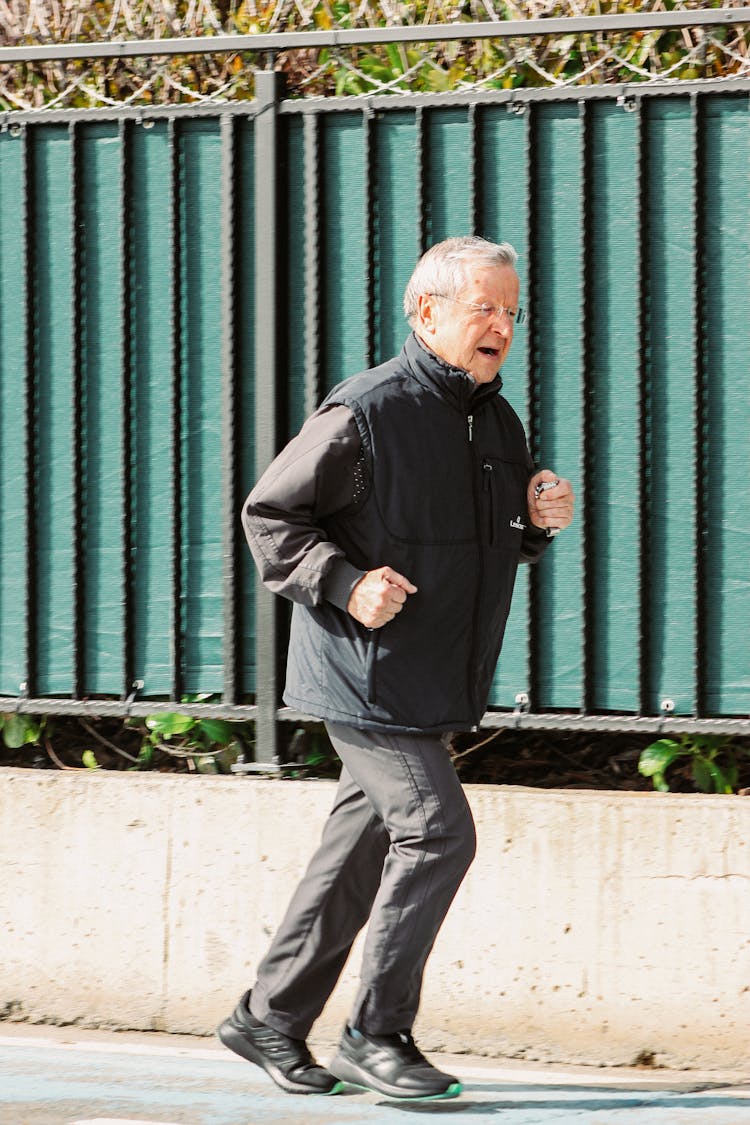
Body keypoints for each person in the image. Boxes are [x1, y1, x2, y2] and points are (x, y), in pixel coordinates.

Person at [218, 235, 575, 1101]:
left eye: (512, 311)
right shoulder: (367, 410)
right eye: (483, 307)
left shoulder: (494, 418)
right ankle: (376, 1033)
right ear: (426, 312)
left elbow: (487, 544)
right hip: (363, 670)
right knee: (438, 831)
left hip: (428, 675)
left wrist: (537, 521)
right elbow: (270, 514)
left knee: (363, 841)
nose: (501, 326)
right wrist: (343, 581)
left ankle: (268, 1016)